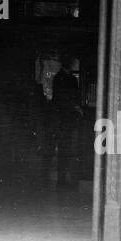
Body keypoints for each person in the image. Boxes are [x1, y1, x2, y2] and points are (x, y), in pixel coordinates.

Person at [31, 47, 84, 188]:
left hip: (58, 118)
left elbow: (58, 99)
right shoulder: (69, 79)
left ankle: (51, 178)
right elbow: (69, 99)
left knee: (55, 148)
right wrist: (76, 108)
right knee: (64, 149)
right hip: (65, 119)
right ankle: (61, 179)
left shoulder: (58, 78)